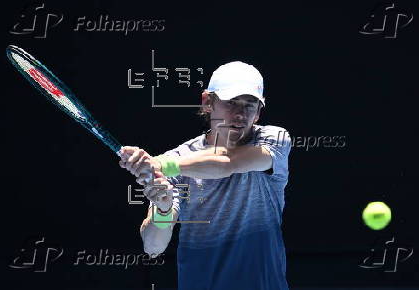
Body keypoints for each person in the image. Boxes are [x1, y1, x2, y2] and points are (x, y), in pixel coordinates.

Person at [119, 61, 292, 290]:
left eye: (249, 105)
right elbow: (153, 247)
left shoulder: (275, 139)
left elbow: (227, 162)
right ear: (207, 102)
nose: (240, 114)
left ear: (259, 112)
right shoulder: (179, 160)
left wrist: (160, 163)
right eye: (231, 102)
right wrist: (163, 208)